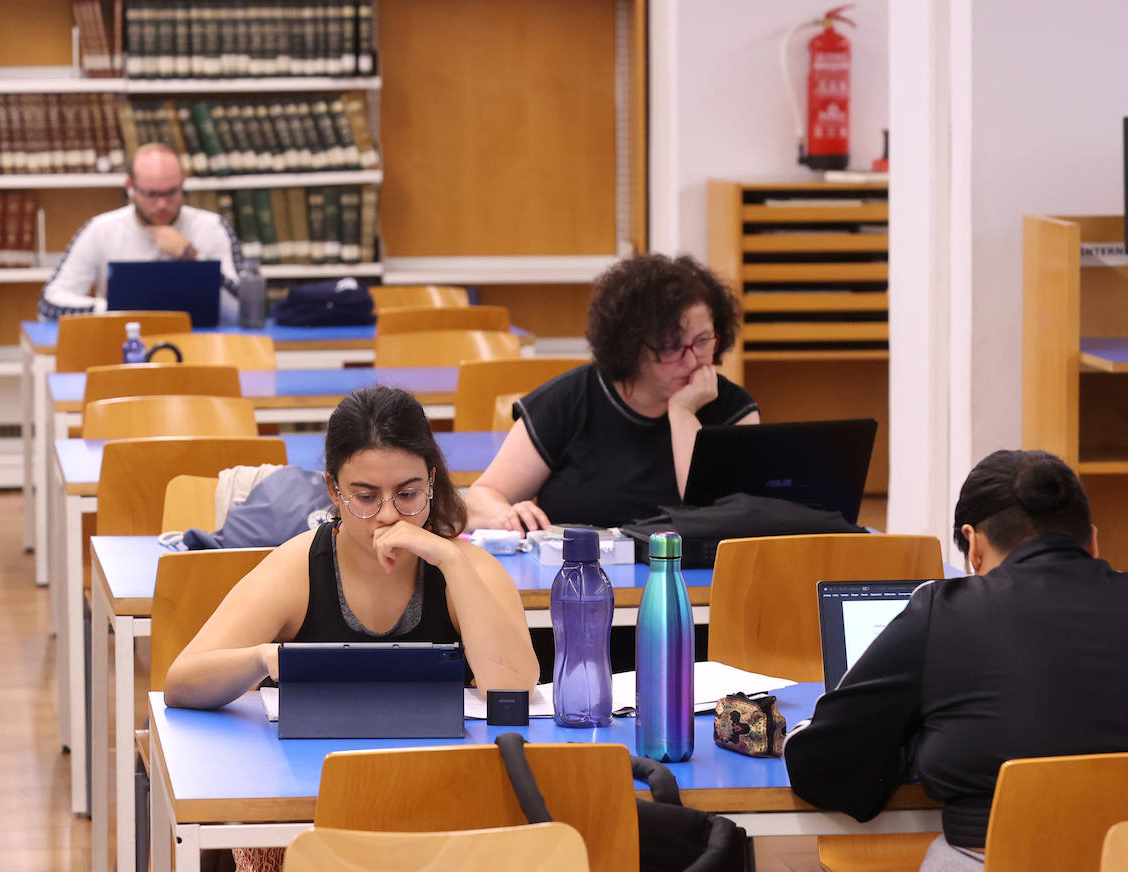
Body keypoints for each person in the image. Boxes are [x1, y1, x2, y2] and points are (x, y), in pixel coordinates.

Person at [783, 449, 1128, 870]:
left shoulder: (942, 611)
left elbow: (821, 764)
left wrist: (915, 746)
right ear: (1092, 541)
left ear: (974, 543)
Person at [164, 385, 539, 712]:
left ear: (432, 480)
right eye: (365, 496)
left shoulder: (466, 565)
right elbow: (181, 684)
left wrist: (452, 562)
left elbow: (514, 689)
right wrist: (263, 658)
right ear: (334, 490)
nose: (389, 515)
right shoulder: (298, 567)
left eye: (408, 494)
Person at [466, 253, 760, 532]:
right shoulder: (570, 400)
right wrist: (504, 515)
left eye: (703, 340)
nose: (693, 360)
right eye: (671, 347)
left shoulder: (732, 409)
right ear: (630, 348)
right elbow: (481, 498)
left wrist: (683, 413)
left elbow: (719, 523)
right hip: (580, 579)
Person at [37, 142, 244, 322]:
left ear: (183, 183)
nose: (162, 204)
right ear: (131, 186)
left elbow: (243, 309)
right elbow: (49, 303)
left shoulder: (212, 227)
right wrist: (115, 309)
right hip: (121, 345)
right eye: (151, 194)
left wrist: (191, 255)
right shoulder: (101, 229)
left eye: (171, 192)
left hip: (202, 348)